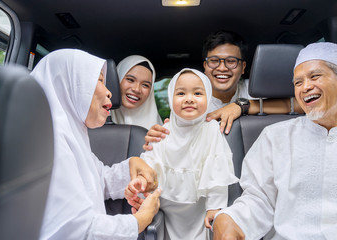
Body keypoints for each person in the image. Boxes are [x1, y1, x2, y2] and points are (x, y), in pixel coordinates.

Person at [213, 42, 337, 240]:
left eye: (315, 76)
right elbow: (259, 201)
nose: (305, 87)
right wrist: (228, 219)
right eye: (297, 82)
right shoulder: (275, 137)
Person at [30, 49, 161, 240]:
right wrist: (142, 219)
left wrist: (132, 165)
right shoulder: (48, 145)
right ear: (70, 86)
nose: (109, 91)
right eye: (99, 80)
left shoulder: (70, 134)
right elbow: (79, 231)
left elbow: (100, 179)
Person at [125, 68, 239, 239]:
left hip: (200, 208)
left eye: (198, 93)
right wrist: (141, 181)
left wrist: (214, 207)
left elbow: (217, 173)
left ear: (208, 97)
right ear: (171, 98)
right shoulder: (162, 131)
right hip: (165, 208)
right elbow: (150, 164)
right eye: (181, 93)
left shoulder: (212, 130)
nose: (189, 99)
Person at [143, 30, 302, 150]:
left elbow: (302, 105)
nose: (222, 68)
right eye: (214, 61)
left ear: (242, 67)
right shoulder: (193, 100)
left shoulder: (257, 90)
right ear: (205, 66)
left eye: (231, 61)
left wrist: (243, 106)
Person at [110, 55, 163, 129]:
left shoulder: (158, 131)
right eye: (130, 80)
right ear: (117, 79)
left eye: (145, 85)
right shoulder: (95, 120)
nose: (137, 89)